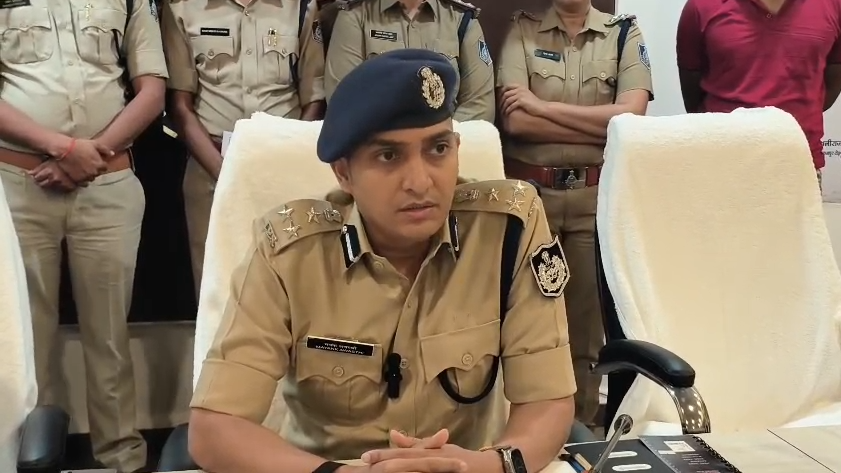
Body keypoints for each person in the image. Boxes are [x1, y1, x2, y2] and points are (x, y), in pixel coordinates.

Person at [187, 48, 576, 473]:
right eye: (389, 156)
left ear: (457, 149)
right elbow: (215, 429)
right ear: (344, 173)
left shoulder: (509, 231)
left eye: (438, 148)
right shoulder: (288, 253)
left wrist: (486, 467)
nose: (420, 182)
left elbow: (547, 402)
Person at [0, 1, 168, 472]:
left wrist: (90, 155)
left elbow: (152, 91)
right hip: (19, 187)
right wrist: (62, 147)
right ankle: (31, 457)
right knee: (25, 340)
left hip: (108, 185)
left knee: (110, 335)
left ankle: (121, 458)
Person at [496, 0, 653, 430]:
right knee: (525, 324)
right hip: (532, 202)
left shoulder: (623, 34)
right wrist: (598, 121)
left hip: (592, 202)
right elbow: (516, 122)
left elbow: (631, 117)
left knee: (584, 331)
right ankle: (525, 431)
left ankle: (578, 434)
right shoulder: (522, 30)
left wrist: (542, 107)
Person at [160, 0, 327, 298]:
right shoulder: (182, 8)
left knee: (293, 289)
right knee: (219, 295)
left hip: (285, 169)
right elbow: (180, 107)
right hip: (211, 169)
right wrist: (225, 172)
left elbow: (314, 95)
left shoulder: (301, 6)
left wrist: (289, 156)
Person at [676, 0, 841, 182]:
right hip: (721, 162)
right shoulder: (701, 6)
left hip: (799, 165)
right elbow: (693, 95)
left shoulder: (833, 5)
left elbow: (832, 83)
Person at [324, 0, 495, 123]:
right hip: (380, 149)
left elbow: (479, 106)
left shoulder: (461, 19)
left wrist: (441, 144)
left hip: (449, 148)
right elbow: (344, 103)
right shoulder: (354, 16)